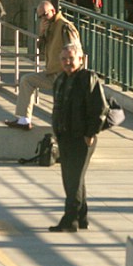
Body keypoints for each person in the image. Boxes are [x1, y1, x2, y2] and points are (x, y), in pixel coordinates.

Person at [48, 45, 109, 232]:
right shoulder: (60, 80)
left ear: (81, 59)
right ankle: (81, 218)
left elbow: (100, 109)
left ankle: (70, 219)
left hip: (82, 137)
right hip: (65, 135)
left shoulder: (88, 78)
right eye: (64, 59)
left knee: (72, 180)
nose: (67, 62)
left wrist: (90, 133)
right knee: (74, 178)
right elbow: (58, 107)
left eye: (71, 58)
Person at [5, 1, 79, 130]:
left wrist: (71, 73)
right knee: (27, 80)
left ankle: (69, 125)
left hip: (64, 74)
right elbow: (41, 49)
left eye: (45, 14)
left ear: (53, 11)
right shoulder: (49, 28)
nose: (43, 18)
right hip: (51, 72)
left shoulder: (65, 26)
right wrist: (42, 32)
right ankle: (23, 120)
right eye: (40, 17)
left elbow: (75, 50)